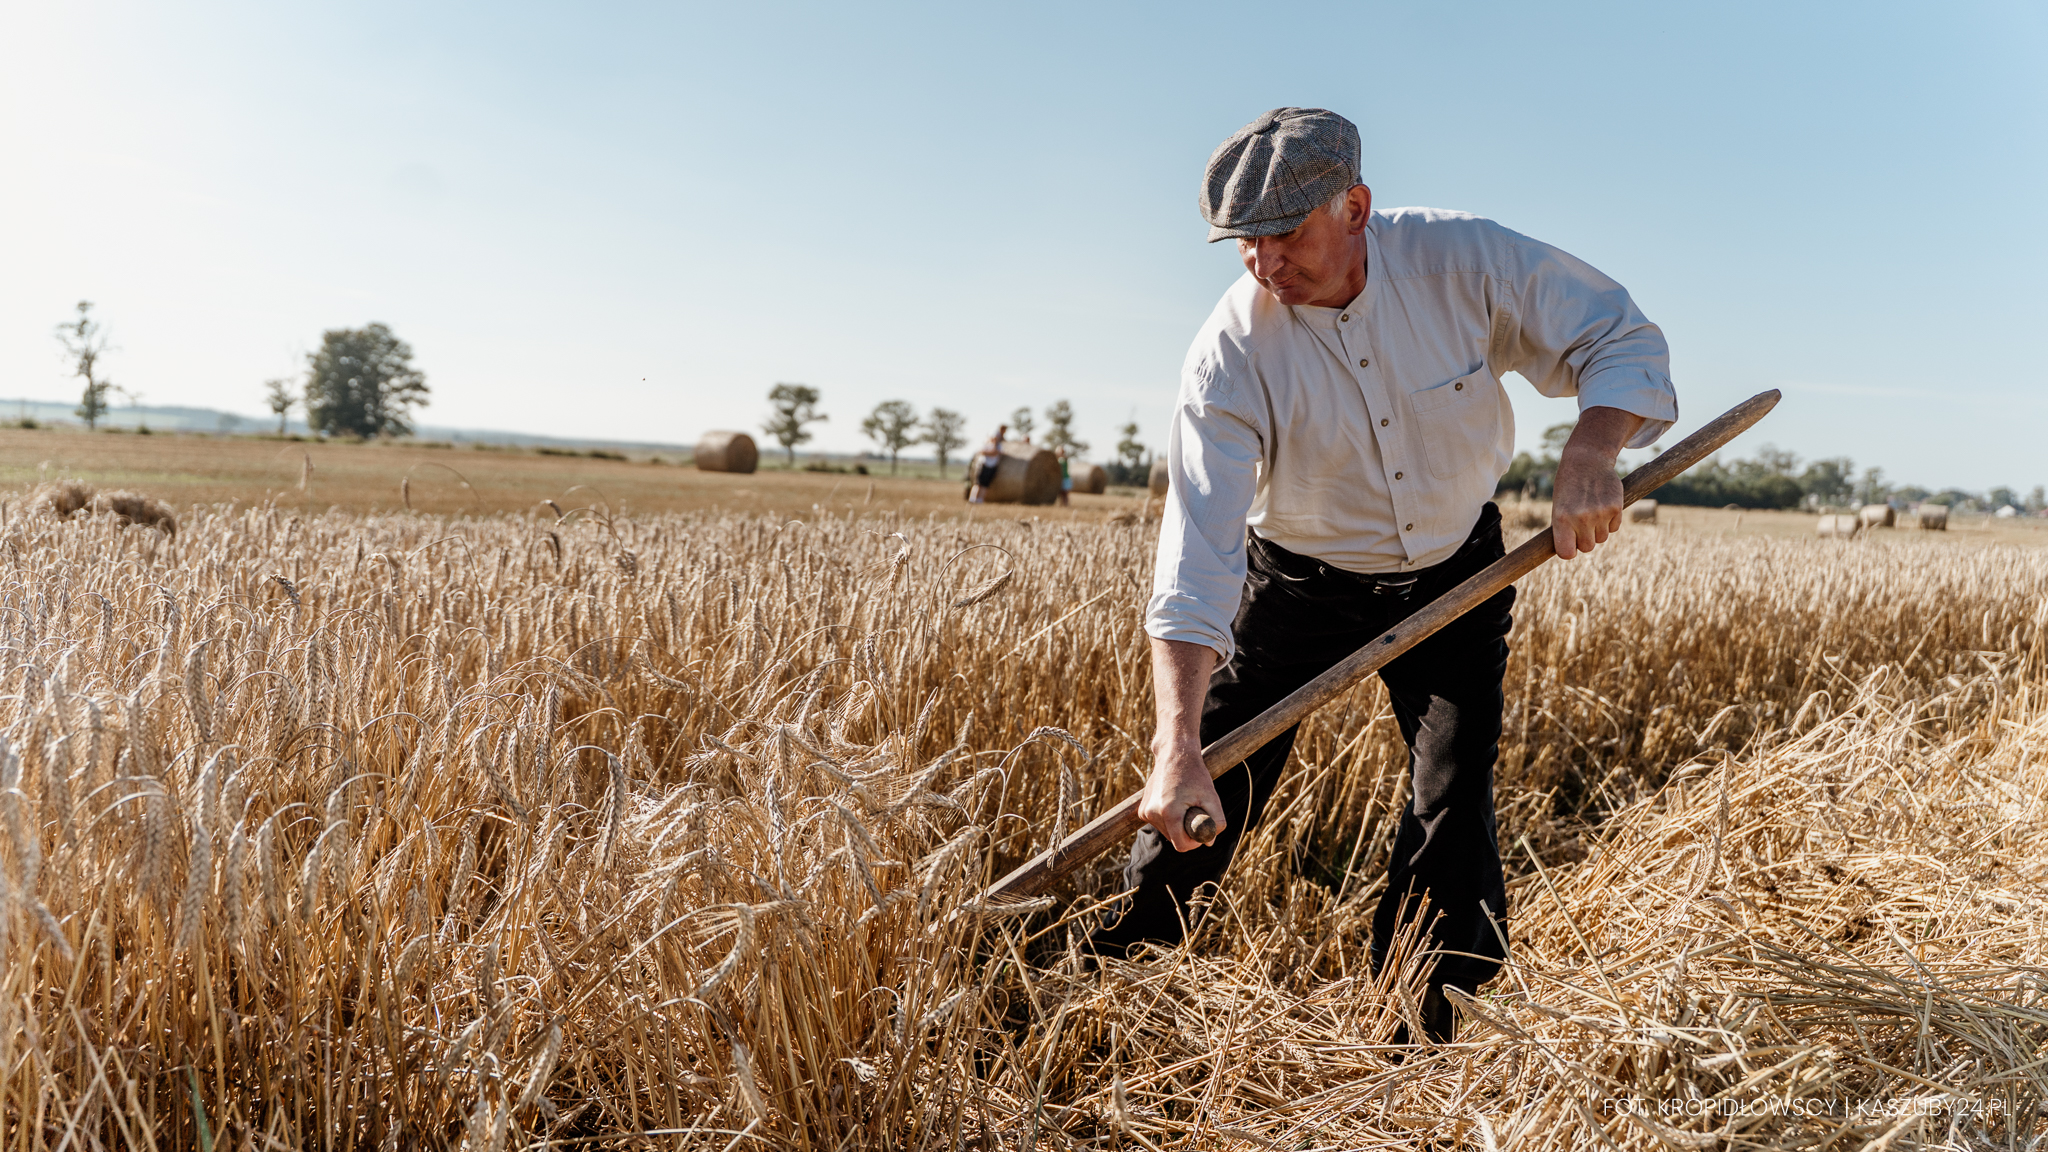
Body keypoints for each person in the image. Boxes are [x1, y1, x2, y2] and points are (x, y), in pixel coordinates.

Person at [1090, 108, 1677, 1046]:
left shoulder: (1467, 262)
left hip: (1457, 575)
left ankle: (1430, 1028)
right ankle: (1112, 995)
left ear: (1356, 206)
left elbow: (1622, 336)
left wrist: (1593, 448)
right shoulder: (1230, 353)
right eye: (1245, 241)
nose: (1264, 263)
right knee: (1208, 786)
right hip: (1300, 582)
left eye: (1286, 234)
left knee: (1453, 795)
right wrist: (1176, 742)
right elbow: (1196, 556)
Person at [968, 425, 1007, 504]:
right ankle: (972, 499)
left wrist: (990, 452)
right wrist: (992, 453)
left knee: (985, 485)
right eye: (994, 437)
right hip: (983, 465)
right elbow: (983, 452)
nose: (995, 439)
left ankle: (980, 500)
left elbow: (995, 453)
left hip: (992, 466)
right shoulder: (986, 444)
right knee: (978, 483)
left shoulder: (999, 446)